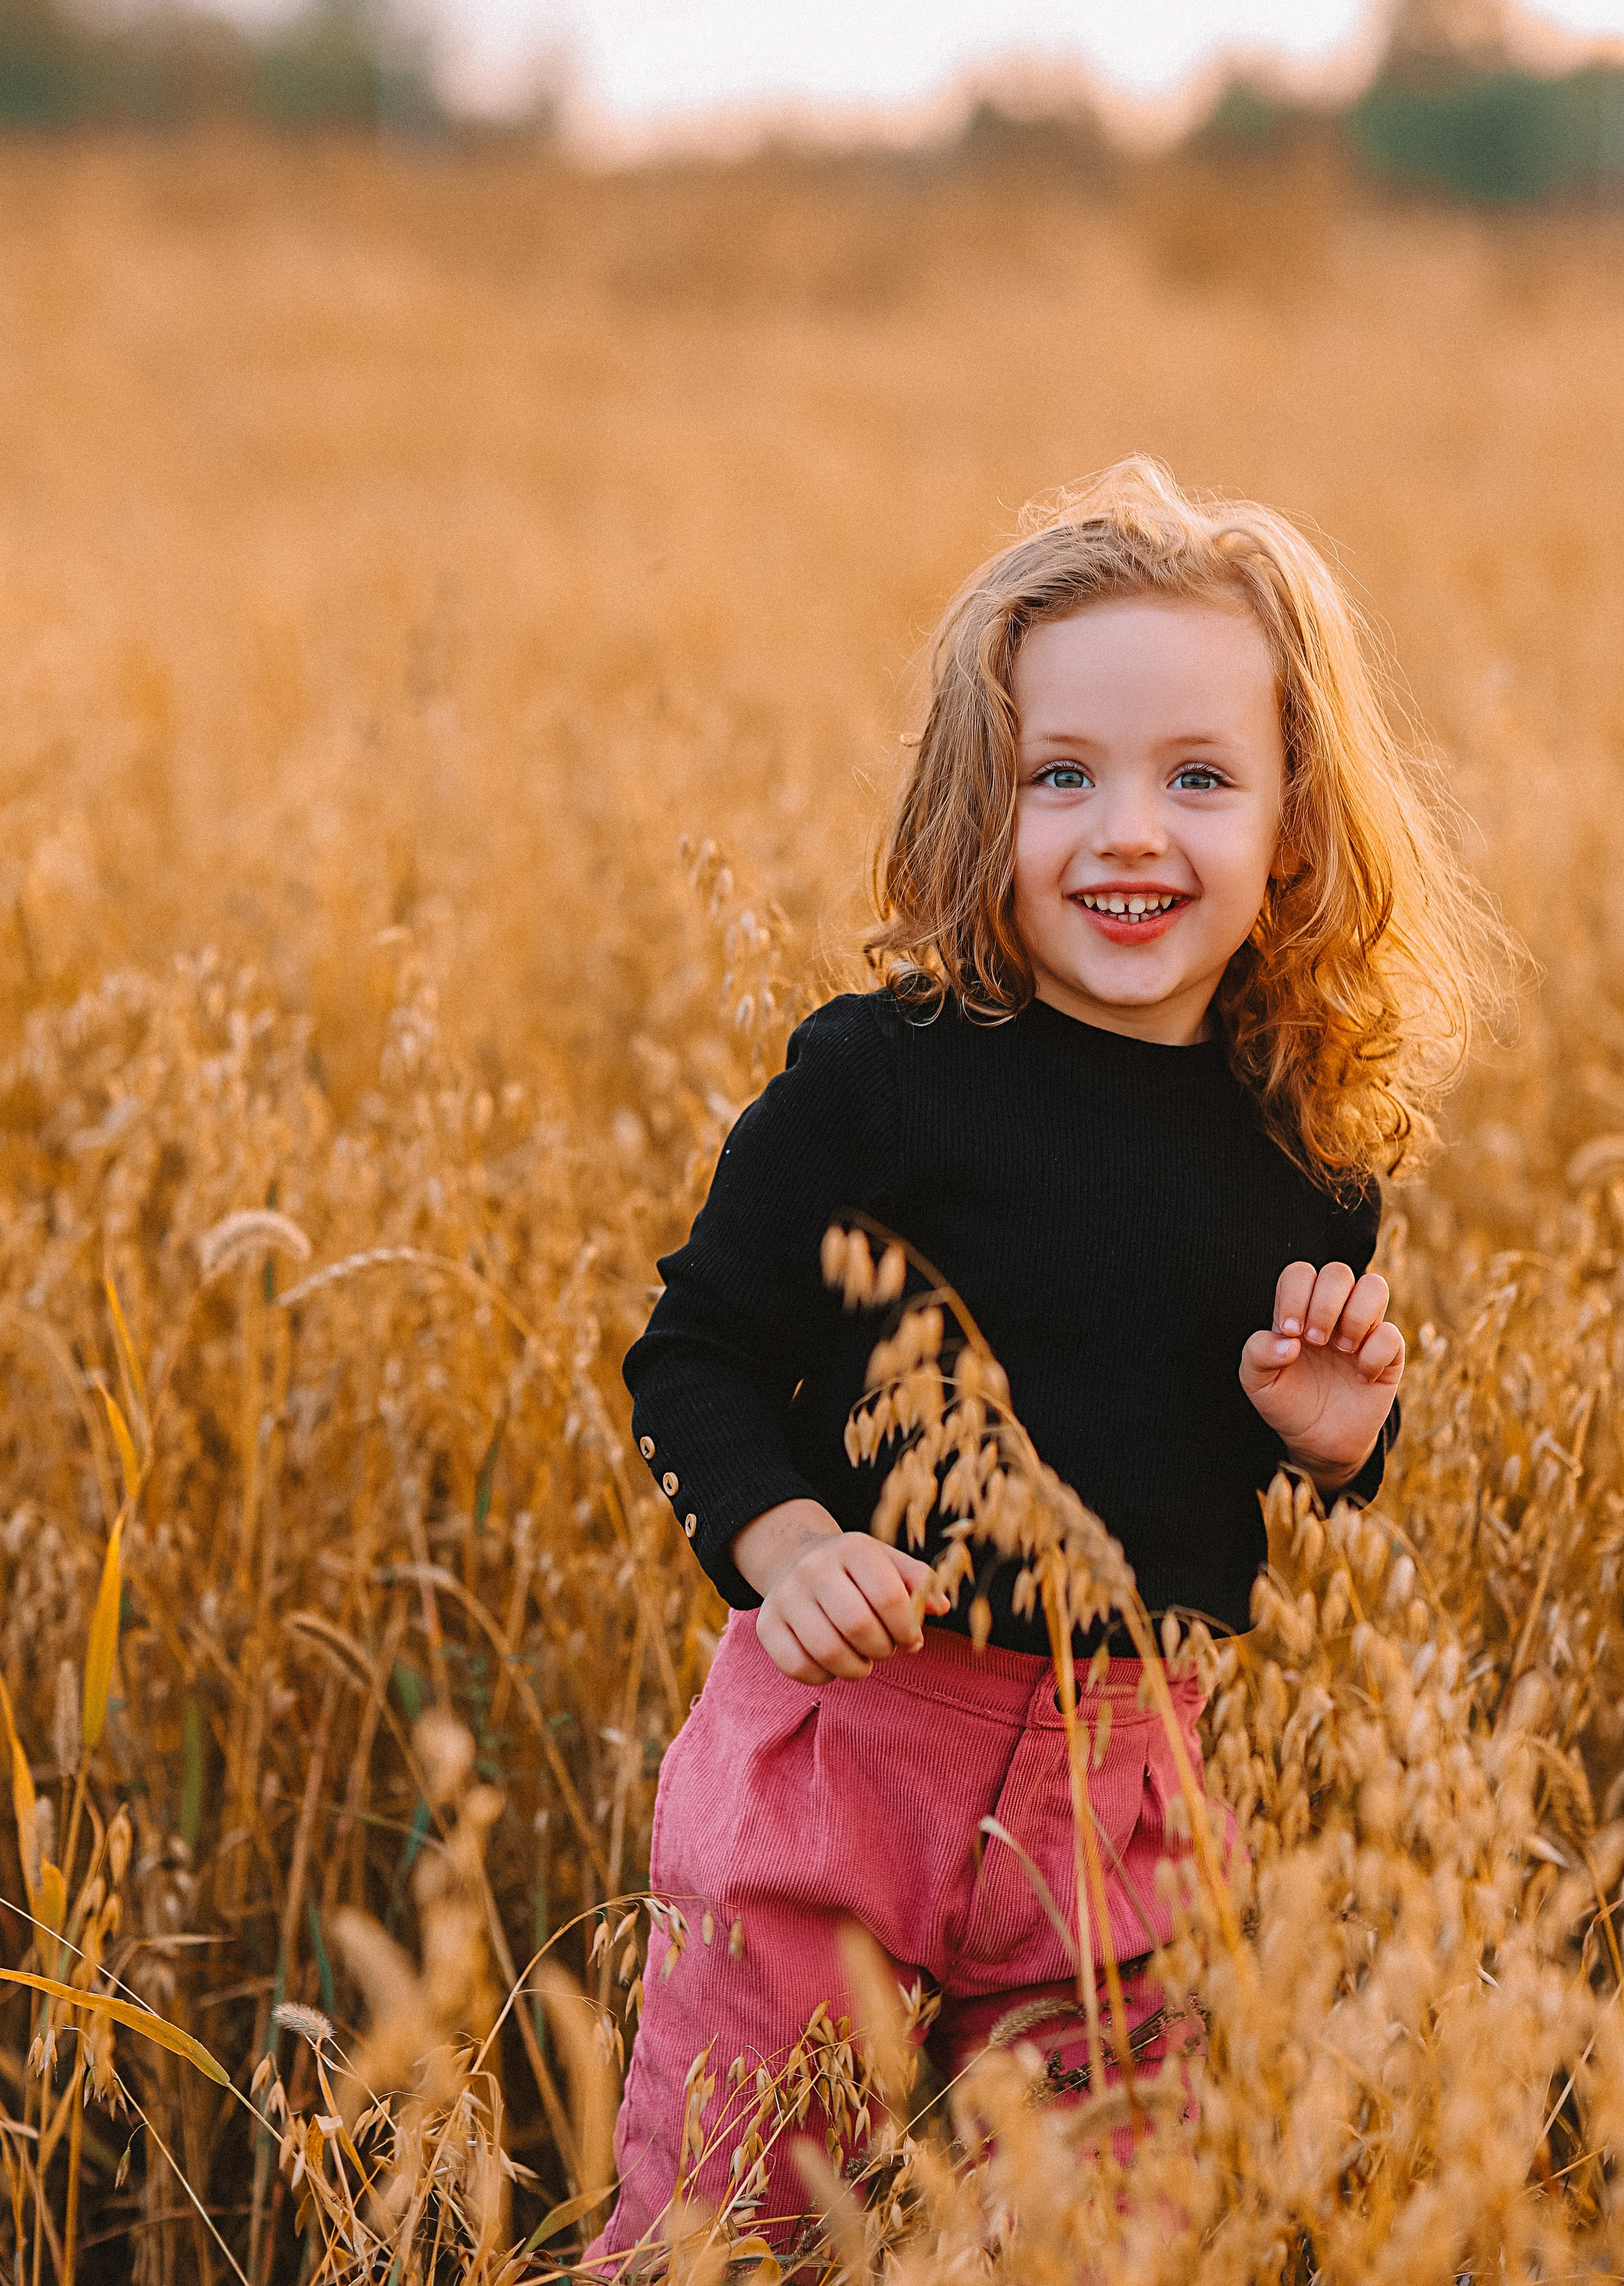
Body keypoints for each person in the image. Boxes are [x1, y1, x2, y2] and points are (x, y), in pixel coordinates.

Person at [587, 457, 1503, 2266]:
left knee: (1096, 2246)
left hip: (1130, 1792)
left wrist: (1335, 1440)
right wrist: (788, 1547)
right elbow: (693, 1351)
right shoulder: (878, 1078)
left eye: (1200, 779)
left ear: (1296, 826)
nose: (1128, 834)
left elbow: (1202, 1461)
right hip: (844, 1748)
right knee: (722, 2234)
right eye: (1060, 777)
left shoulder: (1306, 1152)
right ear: (977, 806)